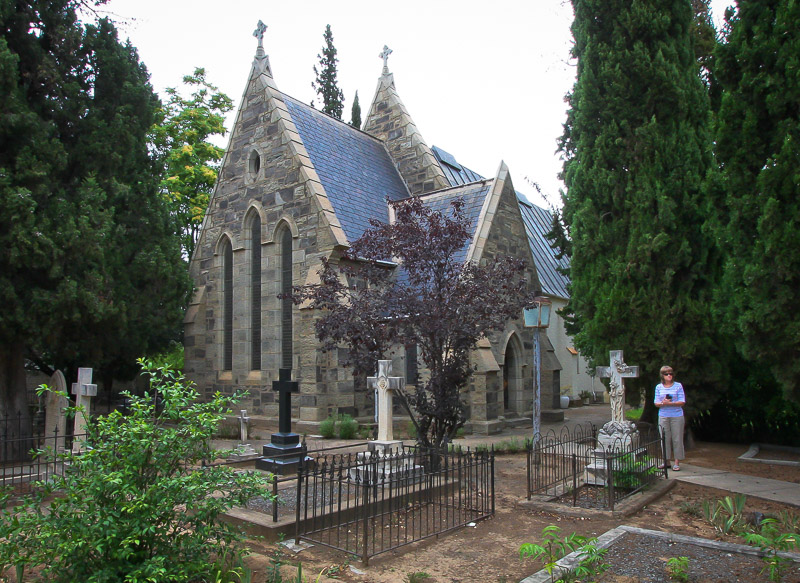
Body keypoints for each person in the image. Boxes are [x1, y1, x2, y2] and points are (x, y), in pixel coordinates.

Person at [654, 365, 685, 471]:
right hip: (663, 415)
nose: (669, 375)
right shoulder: (659, 387)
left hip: (676, 415)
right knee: (664, 438)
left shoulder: (678, 386)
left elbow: (682, 401)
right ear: (662, 375)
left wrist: (672, 403)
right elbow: (656, 402)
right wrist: (663, 402)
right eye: (666, 374)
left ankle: (677, 461)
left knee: (677, 438)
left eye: (671, 373)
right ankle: (666, 461)